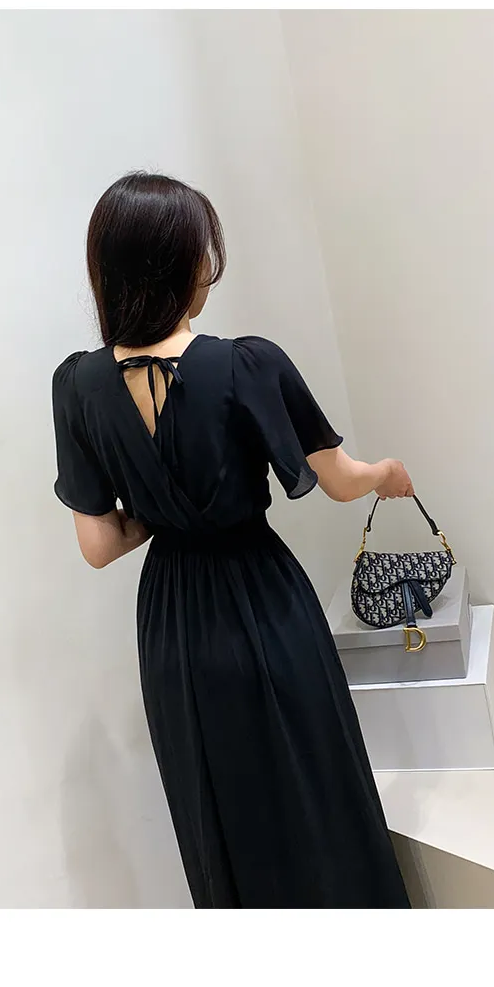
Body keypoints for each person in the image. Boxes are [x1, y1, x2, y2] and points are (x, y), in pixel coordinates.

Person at [52, 170, 414, 909]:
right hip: (261, 597)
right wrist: (386, 474)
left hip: (172, 625)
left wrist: (161, 510)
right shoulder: (248, 364)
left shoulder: (77, 385)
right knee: (313, 781)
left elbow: (98, 544)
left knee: (216, 801)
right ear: (185, 263)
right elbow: (340, 480)